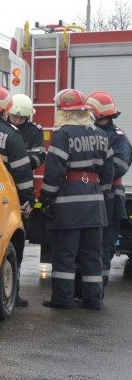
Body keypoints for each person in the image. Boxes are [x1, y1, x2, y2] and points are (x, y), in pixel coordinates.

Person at [39, 89, 113, 310]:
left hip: (68, 204)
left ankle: (62, 299)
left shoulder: (63, 135)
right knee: (92, 256)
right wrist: (99, 194)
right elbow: (108, 174)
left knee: (65, 254)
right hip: (95, 203)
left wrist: (47, 198)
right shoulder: (102, 135)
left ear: (64, 110)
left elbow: (53, 172)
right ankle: (93, 300)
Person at [0, 85, 35, 307]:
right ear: (4, 110)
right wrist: (28, 199)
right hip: (3, 199)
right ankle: (11, 294)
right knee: (9, 246)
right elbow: (22, 172)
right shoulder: (11, 135)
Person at [85, 91, 131, 288]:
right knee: (87, 246)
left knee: (104, 246)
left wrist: (94, 172)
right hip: (90, 194)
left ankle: (97, 291)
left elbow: (119, 167)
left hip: (110, 197)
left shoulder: (118, 138)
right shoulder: (88, 132)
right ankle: (85, 291)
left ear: (99, 114)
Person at [8, 94, 46, 169]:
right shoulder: (3, 128)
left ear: (28, 116)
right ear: (8, 113)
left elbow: (40, 157)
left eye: (22, 118)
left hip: (24, 174)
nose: (17, 121)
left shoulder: (34, 131)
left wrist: (22, 166)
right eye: (14, 116)